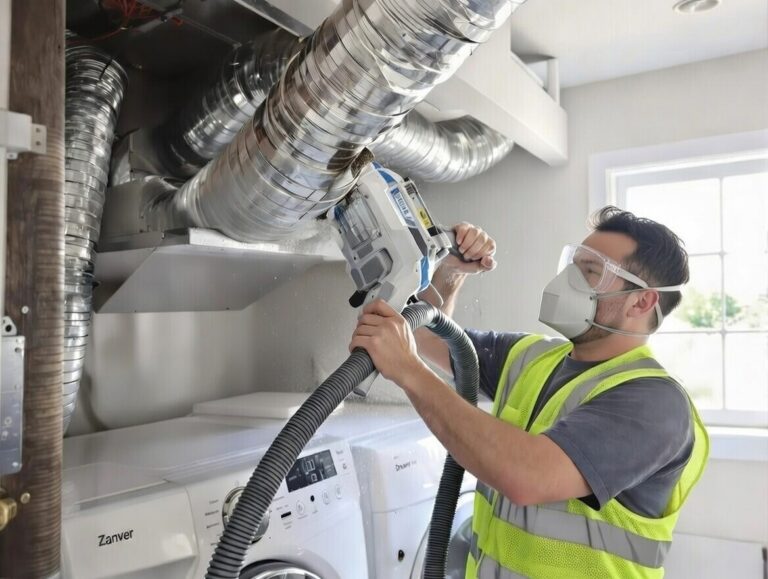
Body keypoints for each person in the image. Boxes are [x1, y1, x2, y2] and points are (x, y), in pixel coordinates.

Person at [349, 206, 709, 579]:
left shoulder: (654, 403)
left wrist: (408, 370)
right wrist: (450, 272)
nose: (569, 280)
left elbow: (527, 477)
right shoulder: (530, 356)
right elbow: (423, 333)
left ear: (642, 302)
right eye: (574, 264)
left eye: (590, 272)